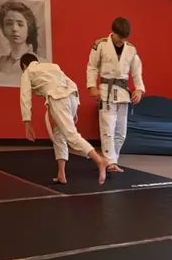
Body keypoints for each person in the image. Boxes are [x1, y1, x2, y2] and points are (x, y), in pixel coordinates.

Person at [19, 54, 108, 185]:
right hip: (72, 96)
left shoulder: (28, 72)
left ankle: (99, 160)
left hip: (58, 97)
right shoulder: (52, 66)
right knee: (58, 134)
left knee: (70, 135)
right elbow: (69, 82)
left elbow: (25, 97)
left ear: (24, 65)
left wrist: (27, 123)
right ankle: (61, 174)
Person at [86, 17, 145, 173]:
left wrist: (139, 88)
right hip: (106, 90)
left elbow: (136, 70)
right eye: (119, 37)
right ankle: (110, 162)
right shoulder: (101, 45)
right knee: (108, 128)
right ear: (113, 32)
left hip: (123, 93)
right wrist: (92, 86)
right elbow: (92, 67)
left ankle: (112, 159)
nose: (121, 41)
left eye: (124, 38)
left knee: (121, 132)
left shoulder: (131, 49)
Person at [0, 1, 39, 80]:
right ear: (3, 28)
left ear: (29, 28)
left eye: (20, 24)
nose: (14, 29)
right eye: (9, 24)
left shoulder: (41, 63)